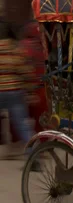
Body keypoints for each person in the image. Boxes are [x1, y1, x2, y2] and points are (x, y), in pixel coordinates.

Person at [0, 18, 39, 169]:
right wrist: (30, 90)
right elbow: (26, 72)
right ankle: (33, 158)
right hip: (14, 92)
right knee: (23, 126)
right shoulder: (16, 50)